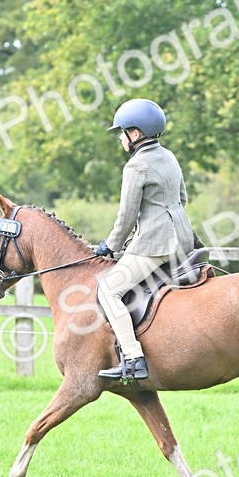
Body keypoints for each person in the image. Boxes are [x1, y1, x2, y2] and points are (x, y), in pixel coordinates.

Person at [93, 98, 197, 381]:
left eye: (122, 132)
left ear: (135, 134)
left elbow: (126, 217)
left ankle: (133, 357)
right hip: (184, 239)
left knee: (109, 290)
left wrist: (110, 246)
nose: (121, 139)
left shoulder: (136, 166)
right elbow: (182, 199)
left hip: (157, 245)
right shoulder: (170, 157)